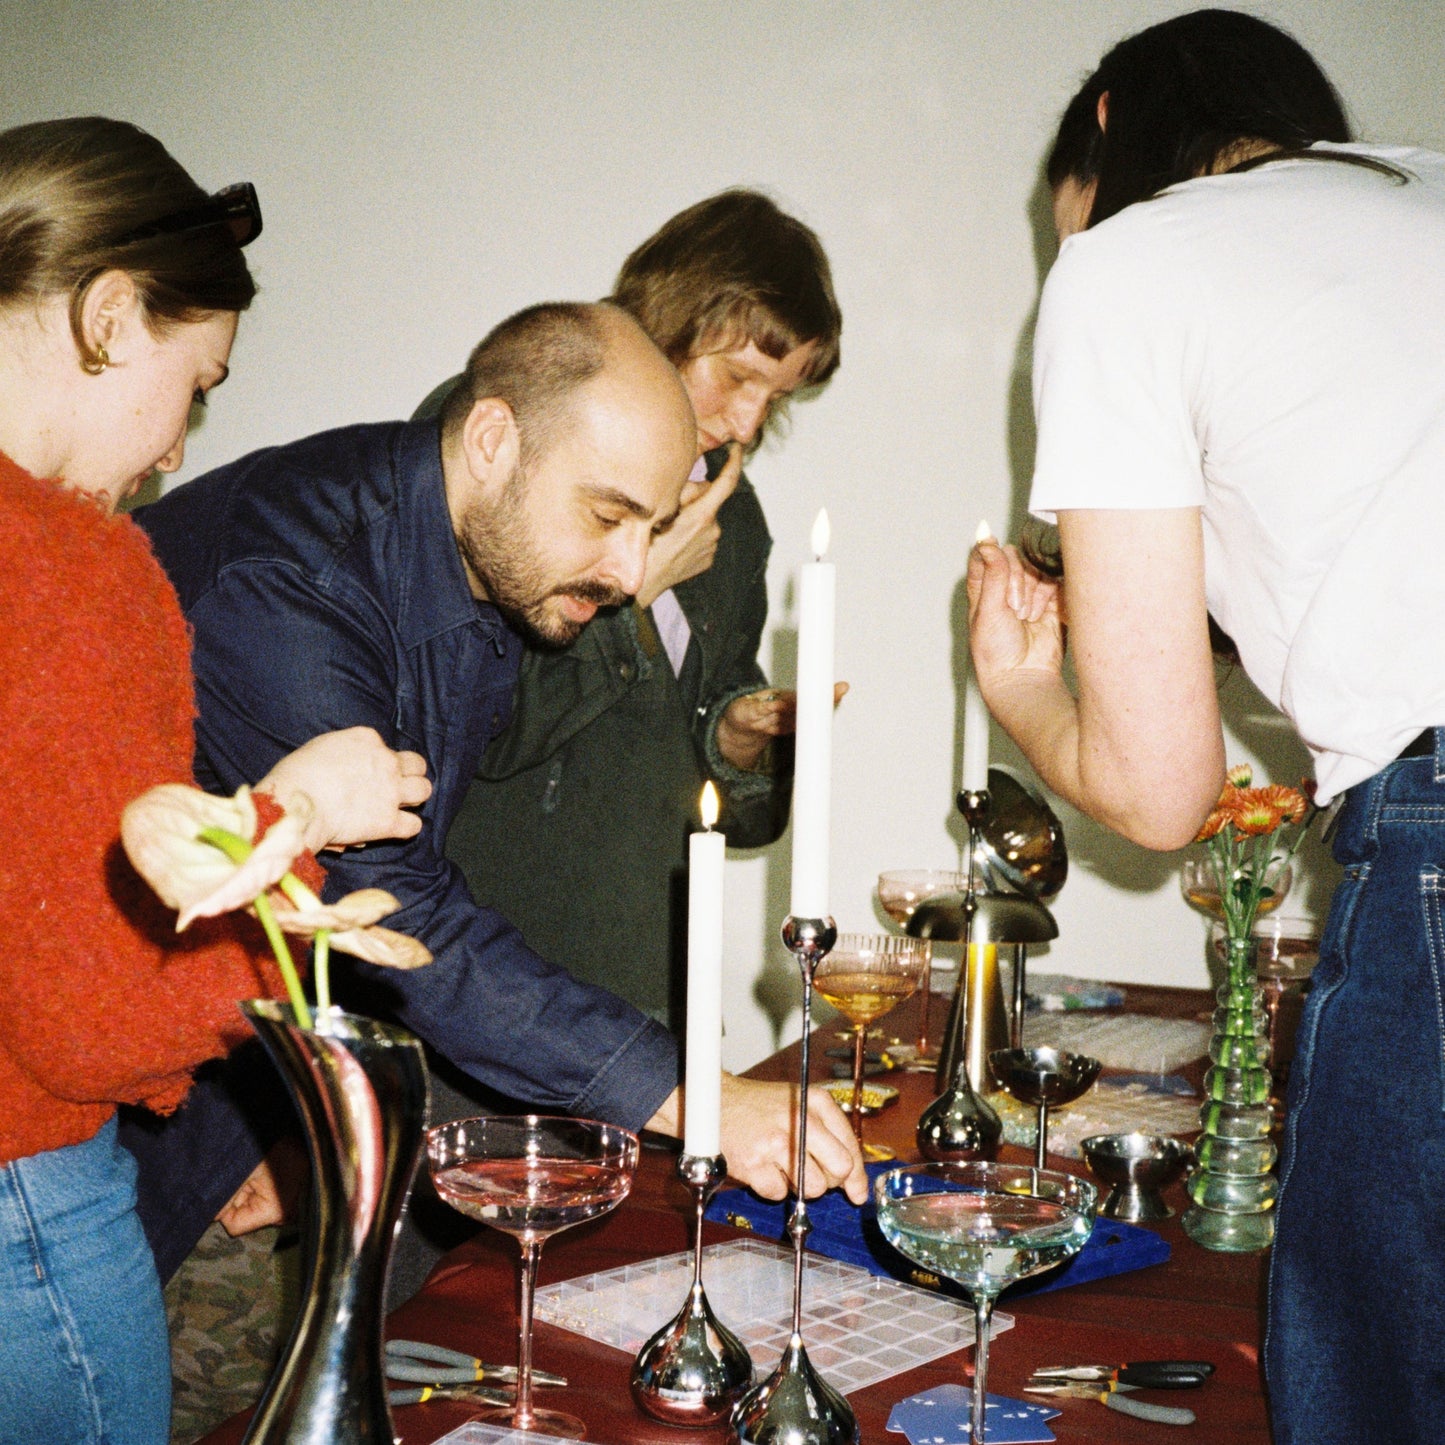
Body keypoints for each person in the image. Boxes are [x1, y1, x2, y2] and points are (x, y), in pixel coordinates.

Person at [129, 301, 868, 1299]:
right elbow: (389, 905)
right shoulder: (291, 582)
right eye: (608, 517)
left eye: (648, 530)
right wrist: (695, 1096)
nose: (627, 572)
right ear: (490, 438)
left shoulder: (477, 565)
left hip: (244, 1094)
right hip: (93, 1123)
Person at [966, 12, 1445, 1443]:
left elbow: (1162, 788)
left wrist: (1025, 692)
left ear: (1109, 128)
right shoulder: (1419, 189)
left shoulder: (1131, 260)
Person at [0, 116, 429, 1445]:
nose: (182, 445)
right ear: (113, 316)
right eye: (201, 384)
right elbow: (93, 1017)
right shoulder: (76, 568)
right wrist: (295, 820)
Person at [429, 189, 842, 1026]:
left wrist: (736, 742)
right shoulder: (509, 434)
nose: (751, 420)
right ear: (664, 327)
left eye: (778, 397)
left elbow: (740, 817)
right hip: (491, 1006)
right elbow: (459, 726)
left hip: (650, 1005)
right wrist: (633, 585)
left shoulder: (736, 518)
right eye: (736, 378)